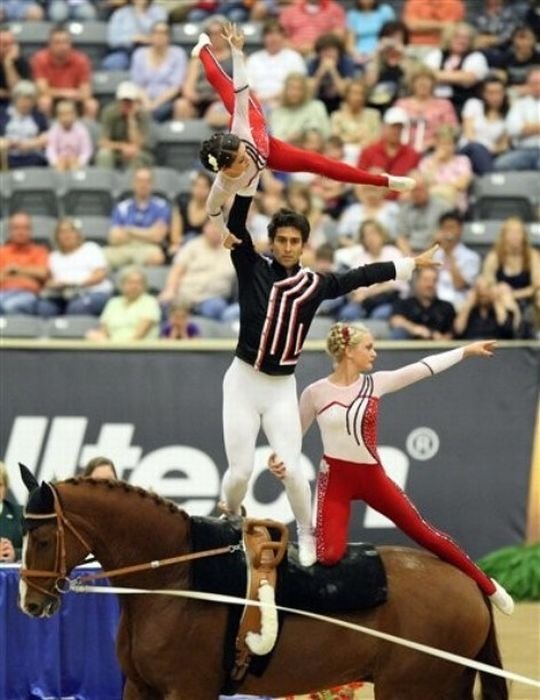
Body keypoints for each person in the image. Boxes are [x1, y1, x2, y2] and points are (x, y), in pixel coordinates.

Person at [218, 186, 440, 566]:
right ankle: (229, 516)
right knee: (239, 472)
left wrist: (409, 264)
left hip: (280, 387)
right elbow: (236, 222)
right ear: (271, 243)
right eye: (281, 240)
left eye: (294, 241)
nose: (287, 246)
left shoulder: (314, 284)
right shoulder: (251, 266)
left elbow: (359, 277)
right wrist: (246, 182)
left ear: (303, 245)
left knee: (293, 471)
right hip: (241, 381)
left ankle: (306, 531)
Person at [268, 323, 514, 615]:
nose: (375, 352)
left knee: (426, 534)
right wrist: (279, 459)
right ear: (348, 351)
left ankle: (488, 586)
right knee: (329, 556)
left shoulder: (376, 383)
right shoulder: (315, 392)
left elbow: (424, 368)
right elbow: (293, 437)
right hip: (335, 479)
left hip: (372, 477)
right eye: (369, 347)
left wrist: (466, 351)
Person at [193, 23, 415, 244]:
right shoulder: (222, 186)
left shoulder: (241, 132)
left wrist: (236, 52)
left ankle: (203, 49)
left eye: (243, 152)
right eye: (241, 159)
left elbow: (241, 88)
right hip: (265, 157)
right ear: (225, 169)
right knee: (310, 169)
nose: (245, 156)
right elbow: (212, 210)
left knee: (223, 83)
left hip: (252, 121)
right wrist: (223, 233)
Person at [159, 220, 236, 321]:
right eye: (212, 227)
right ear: (204, 229)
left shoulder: (233, 250)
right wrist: (170, 290)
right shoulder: (192, 246)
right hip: (185, 295)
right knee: (164, 304)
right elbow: (177, 270)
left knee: (216, 308)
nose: (215, 231)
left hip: (212, 298)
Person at [37, 218, 113, 318]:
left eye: (70, 231)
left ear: (78, 234)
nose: (67, 235)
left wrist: (74, 284)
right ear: (57, 237)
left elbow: (99, 275)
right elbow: (49, 280)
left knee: (76, 308)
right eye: (62, 232)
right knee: (44, 308)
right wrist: (53, 285)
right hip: (63, 295)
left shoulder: (91, 248)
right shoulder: (53, 256)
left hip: (93, 292)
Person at [335, 219, 406, 321]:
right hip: (363, 303)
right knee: (347, 314)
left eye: (373, 233)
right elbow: (353, 287)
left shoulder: (393, 253)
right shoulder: (360, 258)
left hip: (390, 301)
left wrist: (369, 292)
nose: (370, 238)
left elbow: (396, 284)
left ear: (382, 234)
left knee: (379, 314)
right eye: (366, 235)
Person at [105, 166, 171, 269]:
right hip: (123, 248)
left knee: (157, 258)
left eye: (147, 181)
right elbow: (114, 238)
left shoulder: (161, 206)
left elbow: (157, 237)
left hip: (148, 248)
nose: (143, 185)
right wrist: (147, 233)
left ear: (152, 184)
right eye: (139, 181)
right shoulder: (122, 207)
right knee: (100, 257)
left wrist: (129, 230)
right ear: (133, 183)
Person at [31, 25, 97, 120]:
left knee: (91, 104)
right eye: (57, 43)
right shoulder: (40, 59)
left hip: (75, 100)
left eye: (65, 42)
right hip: (54, 99)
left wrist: (73, 95)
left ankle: (86, 132)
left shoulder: (81, 60)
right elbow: (42, 90)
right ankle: (46, 132)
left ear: (71, 44)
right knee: (44, 102)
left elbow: (86, 92)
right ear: (50, 44)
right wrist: (66, 93)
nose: (62, 46)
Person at [423, 22, 489, 116]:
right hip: (434, 101)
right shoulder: (437, 54)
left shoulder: (476, 57)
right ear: (449, 37)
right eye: (457, 36)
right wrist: (457, 76)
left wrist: (437, 75)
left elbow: (469, 79)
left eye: (466, 38)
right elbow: (425, 75)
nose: (461, 41)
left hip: (462, 104)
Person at [130, 21, 188, 123]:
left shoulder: (178, 54)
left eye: (163, 33)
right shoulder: (139, 54)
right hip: (144, 99)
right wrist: (147, 103)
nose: (159, 36)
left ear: (169, 36)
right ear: (150, 35)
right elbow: (137, 84)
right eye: (156, 32)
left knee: (179, 106)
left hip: (167, 100)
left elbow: (176, 86)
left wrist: (155, 104)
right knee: (133, 108)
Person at [86, 266, 161, 342]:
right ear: (122, 285)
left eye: (138, 283)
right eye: (130, 282)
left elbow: (138, 336)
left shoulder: (150, 302)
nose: (134, 286)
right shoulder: (113, 303)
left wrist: (109, 343)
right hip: (112, 348)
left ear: (144, 286)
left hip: (139, 350)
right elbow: (104, 331)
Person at [245, 19, 306, 111]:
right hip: (258, 104)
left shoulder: (294, 57)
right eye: (269, 34)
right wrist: (260, 101)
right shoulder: (253, 59)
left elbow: (299, 85)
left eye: (277, 34)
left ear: (283, 37)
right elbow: (248, 87)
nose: (273, 38)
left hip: (285, 103)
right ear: (263, 38)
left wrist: (273, 99)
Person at [394, 66, 458, 154]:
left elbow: (451, 131)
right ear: (412, 84)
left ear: (433, 83)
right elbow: (392, 130)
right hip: (403, 151)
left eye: (427, 80)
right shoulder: (401, 104)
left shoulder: (444, 104)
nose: (423, 83)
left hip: (433, 151)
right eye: (418, 80)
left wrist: (433, 143)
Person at [95, 81, 154, 169]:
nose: (127, 104)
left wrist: (131, 119)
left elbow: (139, 144)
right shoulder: (109, 113)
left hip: (139, 152)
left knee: (136, 156)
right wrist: (123, 147)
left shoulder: (143, 115)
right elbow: (103, 142)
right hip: (116, 151)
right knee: (103, 154)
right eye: (124, 101)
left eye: (130, 101)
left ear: (136, 101)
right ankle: (104, 181)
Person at [459, 76, 510, 175]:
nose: (495, 97)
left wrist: (494, 150)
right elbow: (469, 134)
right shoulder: (473, 104)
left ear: (504, 94)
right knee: (477, 148)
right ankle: (491, 178)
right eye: (491, 93)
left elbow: (504, 145)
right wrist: (487, 148)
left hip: (489, 154)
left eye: (498, 92)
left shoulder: (507, 117)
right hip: (468, 149)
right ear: (484, 94)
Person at [0, 212, 48, 315]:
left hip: (27, 294)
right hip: (2, 292)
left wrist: (15, 270)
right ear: (10, 231)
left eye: (25, 228)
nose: (20, 232)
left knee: (10, 307)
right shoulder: (1, 252)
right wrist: (28, 273)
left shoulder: (39, 252)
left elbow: (42, 273)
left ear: (30, 231)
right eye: (16, 228)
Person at [494, 66, 540, 172]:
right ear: (528, 84)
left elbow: (520, 128)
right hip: (523, 150)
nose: (537, 86)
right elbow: (512, 129)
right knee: (501, 165)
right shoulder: (520, 104)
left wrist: (526, 127)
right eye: (534, 83)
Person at [395, 170, 452, 255]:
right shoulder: (404, 208)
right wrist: (411, 259)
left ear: (428, 188)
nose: (417, 194)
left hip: (436, 251)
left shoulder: (443, 207)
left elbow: (446, 235)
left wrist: (425, 256)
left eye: (420, 190)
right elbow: (401, 238)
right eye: (413, 190)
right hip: (410, 253)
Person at [389, 267, 455, 340]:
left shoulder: (447, 307)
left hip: (438, 348)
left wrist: (437, 337)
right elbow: (395, 320)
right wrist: (414, 329)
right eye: (426, 280)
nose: (430, 285)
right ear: (417, 282)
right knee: (399, 332)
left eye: (434, 280)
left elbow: (452, 333)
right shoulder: (404, 304)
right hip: (410, 347)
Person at [418, 125, 473, 213]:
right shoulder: (427, 161)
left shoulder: (463, 161)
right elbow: (423, 183)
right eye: (442, 143)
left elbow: (462, 184)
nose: (445, 147)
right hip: (428, 204)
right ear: (436, 144)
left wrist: (437, 187)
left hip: (454, 205)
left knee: (447, 193)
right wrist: (435, 161)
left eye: (449, 144)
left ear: (455, 145)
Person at [102, 0, 167, 71]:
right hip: (126, 51)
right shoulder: (120, 13)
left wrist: (140, 13)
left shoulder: (159, 12)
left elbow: (162, 32)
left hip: (151, 51)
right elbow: (112, 39)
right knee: (113, 63)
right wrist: (131, 39)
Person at [0, 80, 48, 168]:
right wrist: (9, 143)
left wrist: (29, 144)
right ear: (15, 99)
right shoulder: (2, 114)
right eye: (22, 99)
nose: (25, 103)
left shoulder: (39, 116)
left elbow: (46, 137)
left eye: (29, 100)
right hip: (8, 155)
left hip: (32, 155)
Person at [454, 277, 520, 339]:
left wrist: (496, 301)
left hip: (497, 348)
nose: (483, 293)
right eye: (479, 290)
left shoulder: (501, 310)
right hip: (472, 345)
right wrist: (468, 303)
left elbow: (507, 331)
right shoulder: (470, 311)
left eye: (486, 289)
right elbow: (458, 331)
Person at [278, 0, 347, 57]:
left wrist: (313, 47)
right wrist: (297, 48)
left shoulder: (335, 10)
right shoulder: (289, 11)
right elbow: (280, 37)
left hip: (322, 52)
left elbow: (337, 36)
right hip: (293, 52)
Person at [45, 98, 94, 171]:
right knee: (60, 167)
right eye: (62, 114)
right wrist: (56, 162)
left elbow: (86, 151)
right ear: (58, 116)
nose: (65, 118)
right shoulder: (54, 130)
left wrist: (80, 162)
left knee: (74, 167)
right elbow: (50, 150)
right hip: (59, 163)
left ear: (74, 115)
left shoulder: (81, 130)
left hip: (77, 162)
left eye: (68, 114)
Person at [0, 28, 32, 112]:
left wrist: (8, 63)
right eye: (4, 44)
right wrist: (10, 94)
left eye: (12, 44)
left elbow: (19, 92)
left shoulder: (21, 62)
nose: (9, 48)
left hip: (16, 105)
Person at [0, 462, 23, 563]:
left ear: (5, 488)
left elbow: (39, 550)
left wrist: (15, 554)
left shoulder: (21, 514)